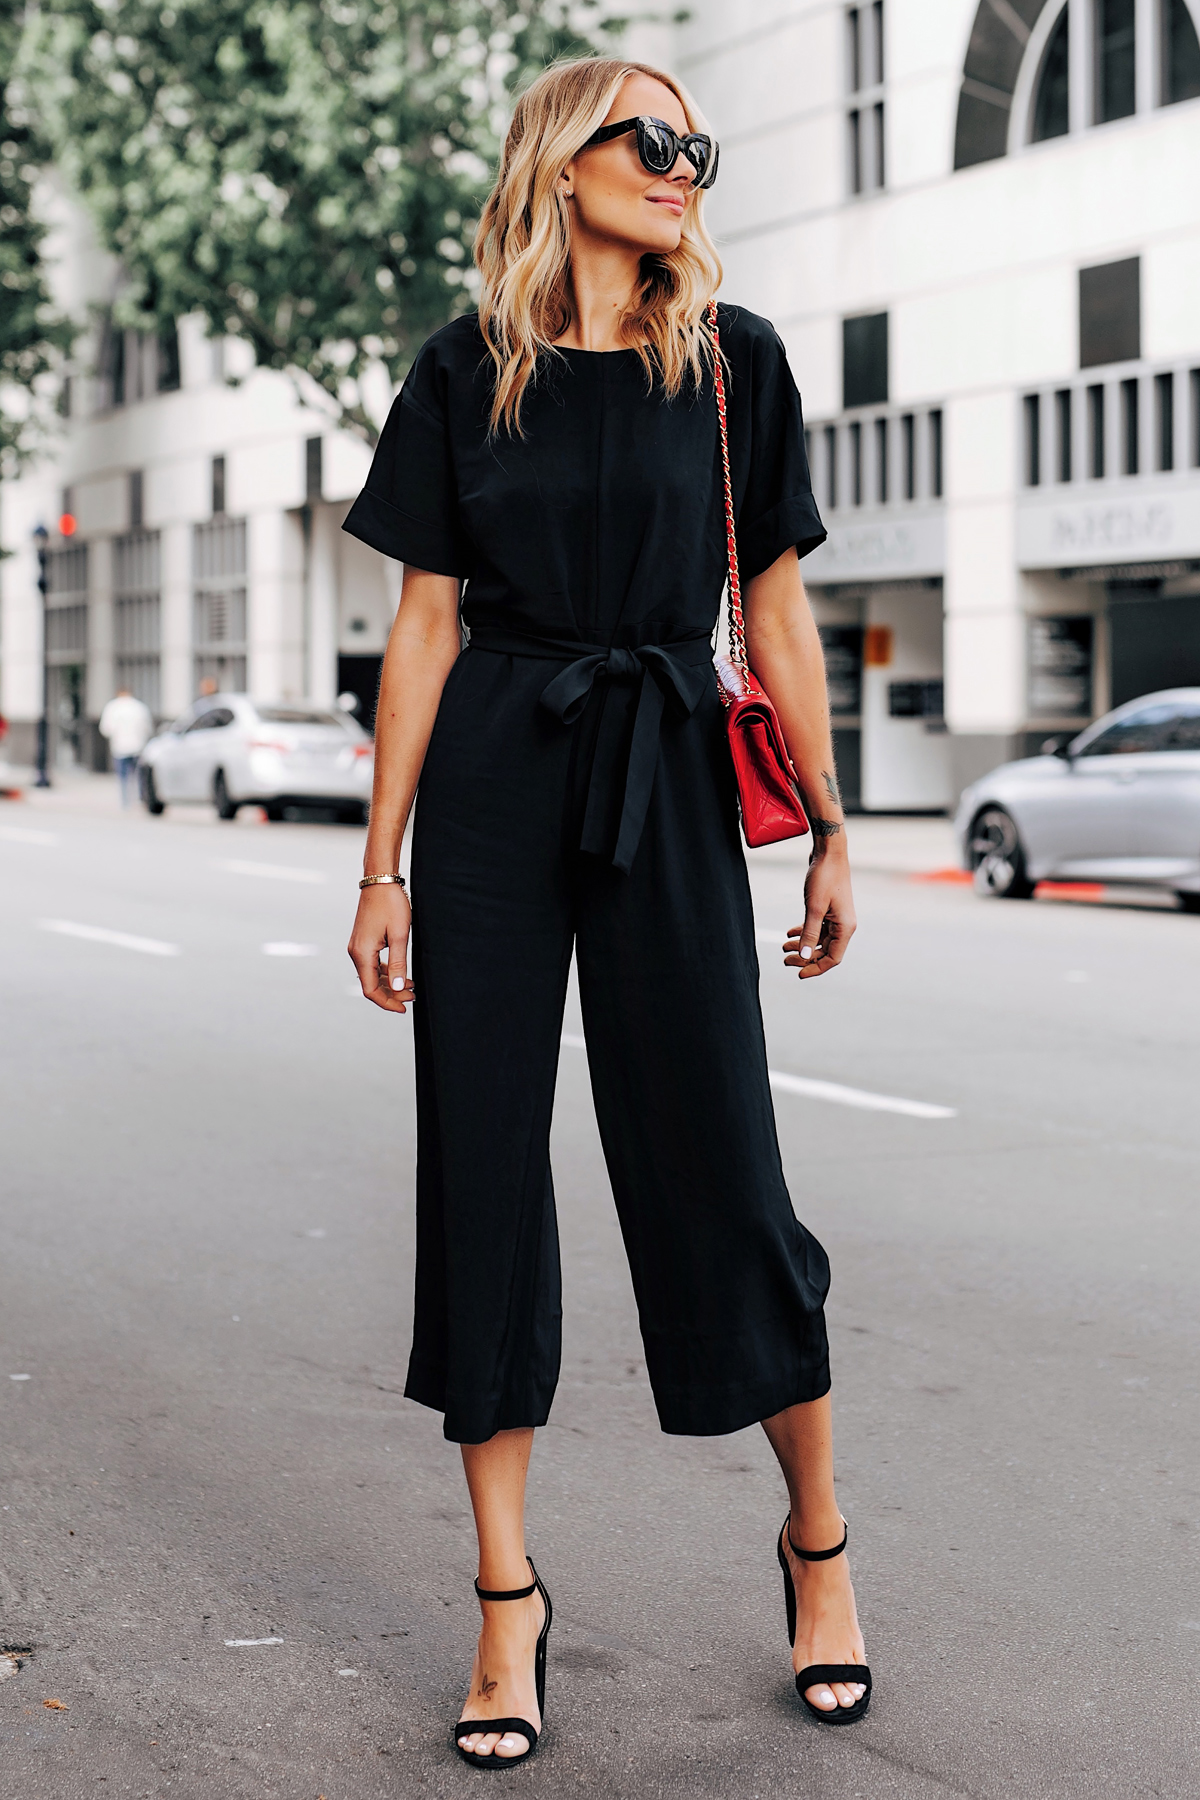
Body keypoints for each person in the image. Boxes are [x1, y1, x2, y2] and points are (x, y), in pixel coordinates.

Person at [345, 56, 869, 1767]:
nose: (681, 167)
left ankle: (818, 1544)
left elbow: (775, 619)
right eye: (649, 140)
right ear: (562, 165)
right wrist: (381, 863)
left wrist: (832, 826)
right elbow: (424, 631)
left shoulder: (733, 365)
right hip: (498, 774)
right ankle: (507, 1603)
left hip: (663, 761)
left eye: (695, 146)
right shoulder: (463, 371)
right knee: (482, 1168)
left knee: (720, 1157)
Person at [98, 686, 154, 807]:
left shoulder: (112, 707)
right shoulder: (140, 707)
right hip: (138, 746)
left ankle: (125, 801)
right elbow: (147, 727)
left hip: (120, 747)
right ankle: (139, 799)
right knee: (137, 774)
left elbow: (106, 729)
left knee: (123, 775)